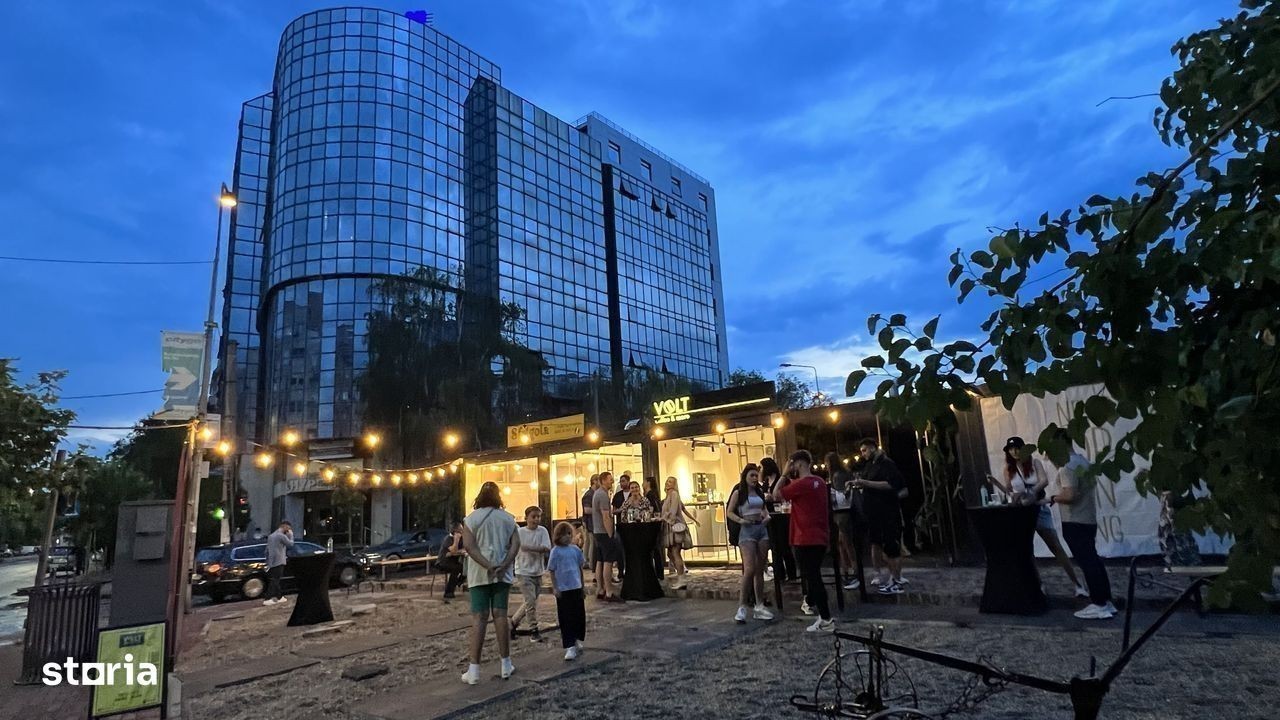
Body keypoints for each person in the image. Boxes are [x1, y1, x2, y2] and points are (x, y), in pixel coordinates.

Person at [997, 436, 1088, 598]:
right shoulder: (1008, 469)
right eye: (1011, 449)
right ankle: (1038, 584)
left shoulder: (1034, 463)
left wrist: (1031, 491)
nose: (1014, 452)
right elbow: (1009, 490)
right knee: (1027, 549)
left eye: (1017, 448)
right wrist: (1003, 489)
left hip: (1038, 507)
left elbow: (1044, 480)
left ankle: (1077, 583)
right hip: (1022, 511)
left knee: (1055, 545)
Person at [1048, 430, 1117, 620]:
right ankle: (1106, 600)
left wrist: (1053, 498)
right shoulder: (1082, 461)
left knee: (1087, 562)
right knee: (1093, 559)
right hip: (1088, 519)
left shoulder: (1067, 466)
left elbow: (1070, 494)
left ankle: (1099, 603)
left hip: (1074, 520)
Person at [460, 481, 520, 684]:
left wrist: (487, 565)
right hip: (502, 573)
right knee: (500, 615)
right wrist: (504, 564)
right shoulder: (508, 518)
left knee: (479, 617)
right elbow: (515, 545)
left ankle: (474, 670)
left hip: (479, 574)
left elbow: (469, 546)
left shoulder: (471, 519)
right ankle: (506, 664)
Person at [779, 451, 834, 632]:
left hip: (804, 537)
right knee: (814, 575)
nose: (791, 468)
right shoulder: (820, 482)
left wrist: (784, 474)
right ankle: (815, 607)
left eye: (792, 464)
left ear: (799, 464)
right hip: (819, 535)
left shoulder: (801, 484)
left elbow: (776, 494)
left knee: (813, 577)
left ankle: (826, 618)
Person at [853, 439, 909, 595]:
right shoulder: (869, 465)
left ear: (872, 448)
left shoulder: (886, 463)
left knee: (891, 546)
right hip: (873, 512)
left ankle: (896, 580)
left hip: (887, 511)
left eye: (864, 450)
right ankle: (886, 576)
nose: (863, 454)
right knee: (876, 542)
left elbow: (892, 484)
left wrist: (867, 483)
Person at [726, 463, 774, 624]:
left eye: (756, 475)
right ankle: (742, 606)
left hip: (761, 529)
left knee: (760, 569)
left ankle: (759, 605)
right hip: (747, 531)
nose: (754, 478)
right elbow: (729, 511)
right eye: (751, 475)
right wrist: (741, 520)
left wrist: (767, 517)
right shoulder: (739, 493)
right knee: (749, 568)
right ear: (745, 476)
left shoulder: (759, 492)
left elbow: (764, 509)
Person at [510, 506, 551, 642]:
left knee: (531, 602)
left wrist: (531, 548)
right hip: (523, 570)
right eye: (533, 517)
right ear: (526, 517)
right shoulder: (520, 532)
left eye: (538, 517)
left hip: (537, 571)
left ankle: (513, 622)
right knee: (530, 601)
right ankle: (534, 630)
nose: (536, 519)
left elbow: (546, 547)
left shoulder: (542, 531)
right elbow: (514, 547)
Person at [547, 521, 587, 661]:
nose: (568, 537)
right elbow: (552, 570)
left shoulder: (575, 550)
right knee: (566, 617)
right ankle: (569, 644)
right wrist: (555, 587)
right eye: (565, 534)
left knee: (578, 616)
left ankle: (576, 638)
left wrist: (582, 586)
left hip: (576, 587)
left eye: (570, 533)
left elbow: (580, 568)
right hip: (563, 589)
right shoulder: (555, 551)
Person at [826, 452, 861, 591]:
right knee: (844, 542)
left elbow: (839, 493)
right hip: (845, 511)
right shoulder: (843, 473)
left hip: (841, 512)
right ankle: (849, 570)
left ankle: (852, 571)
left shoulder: (837, 476)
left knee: (845, 542)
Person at [762, 457, 797, 584]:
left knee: (784, 545)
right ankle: (779, 574)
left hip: (782, 515)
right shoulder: (766, 482)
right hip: (770, 516)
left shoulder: (781, 480)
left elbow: (785, 496)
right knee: (774, 546)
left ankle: (791, 573)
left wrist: (774, 498)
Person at [590, 471, 623, 602]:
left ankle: (600, 589)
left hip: (597, 531)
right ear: (603, 480)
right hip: (603, 533)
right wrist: (610, 534)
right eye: (610, 479)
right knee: (608, 562)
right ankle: (609, 591)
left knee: (600, 560)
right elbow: (605, 516)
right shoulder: (602, 495)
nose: (612, 482)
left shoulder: (597, 494)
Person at [661, 476, 698, 589]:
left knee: (675, 552)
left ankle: (681, 578)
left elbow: (674, 511)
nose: (668, 483)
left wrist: (665, 518)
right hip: (670, 526)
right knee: (671, 553)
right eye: (667, 481)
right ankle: (680, 575)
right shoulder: (669, 496)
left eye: (670, 482)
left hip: (675, 526)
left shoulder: (674, 494)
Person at [263, 520, 294, 606]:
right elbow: (290, 544)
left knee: (275, 579)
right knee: (275, 580)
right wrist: (291, 535)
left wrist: (268, 560)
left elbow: (266, 550)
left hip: (272, 561)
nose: (288, 530)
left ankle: (279, 597)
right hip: (279, 560)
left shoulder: (271, 536)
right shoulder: (281, 536)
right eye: (288, 528)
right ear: (284, 526)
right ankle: (267, 598)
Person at [435, 521, 466, 600]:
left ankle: (458, 582)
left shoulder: (462, 539)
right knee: (456, 569)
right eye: (461, 529)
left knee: (465, 568)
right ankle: (449, 592)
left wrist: (458, 551)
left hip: (453, 561)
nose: (462, 531)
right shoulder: (448, 539)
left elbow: (464, 549)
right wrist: (456, 540)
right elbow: (454, 551)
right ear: (456, 531)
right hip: (443, 562)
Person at [581, 474, 598, 571]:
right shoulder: (589, 495)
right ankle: (592, 563)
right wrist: (600, 510)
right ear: (594, 481)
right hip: (590, 522)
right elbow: (587, 510)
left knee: (588, 542)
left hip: (589, 522)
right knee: (592, 542)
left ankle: (585, 561)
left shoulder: (593, 493)